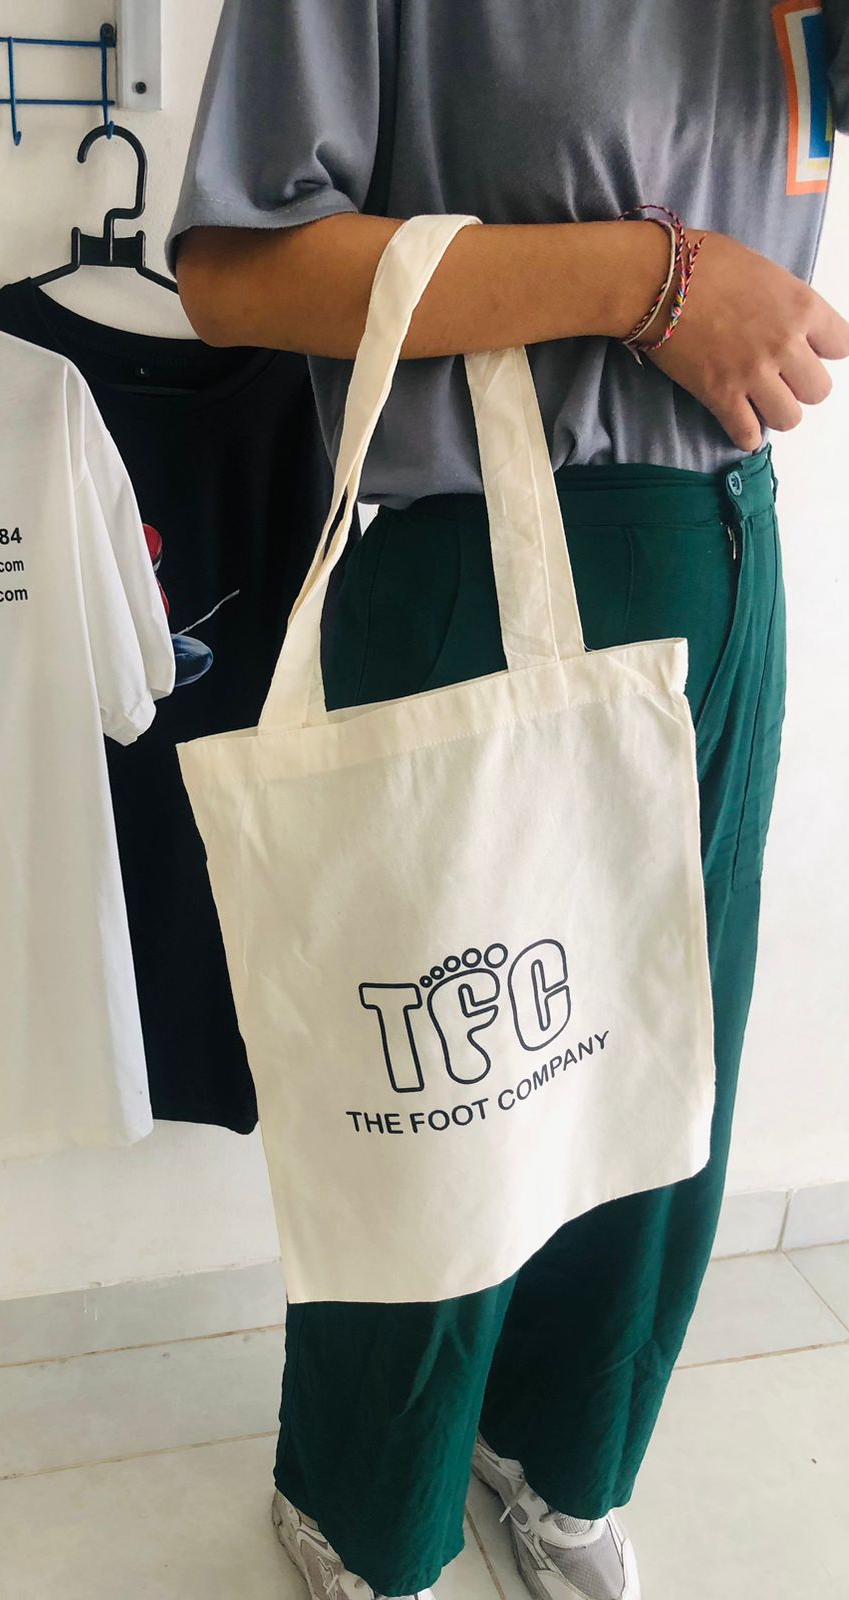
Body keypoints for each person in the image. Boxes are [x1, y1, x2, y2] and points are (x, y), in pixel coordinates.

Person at [167, 5, 849, 1600]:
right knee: (448, 1102)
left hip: (721, 547)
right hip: (469, 559)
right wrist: (649, 278)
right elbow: (239, 271)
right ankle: (365, 1505)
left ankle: (557, 1450)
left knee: (661, 1080)